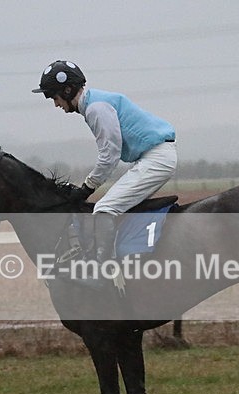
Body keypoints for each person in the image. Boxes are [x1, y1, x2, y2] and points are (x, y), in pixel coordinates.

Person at [32, 60, 177, 271]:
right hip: (153, 157)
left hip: (157, 159)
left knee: (104, 209)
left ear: (68, 90)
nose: (55, 104)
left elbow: (110, 155)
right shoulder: (95, 103)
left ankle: (103, 271)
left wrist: (87, 188)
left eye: (54, 97)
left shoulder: (96, 108)